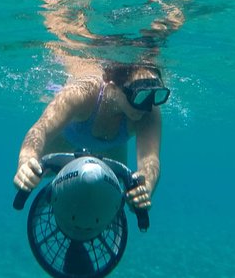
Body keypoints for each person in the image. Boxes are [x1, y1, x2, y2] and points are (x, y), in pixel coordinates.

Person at [13, 61, 168, 211]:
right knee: (41, 172)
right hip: (68, 137)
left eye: (154, 95)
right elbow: (40, 130)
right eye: (140, 96)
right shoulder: (82, 93)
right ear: (113, 88)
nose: (147, 106)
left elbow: (150, 160)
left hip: (113, 146)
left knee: (110, 189)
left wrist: (146, 186)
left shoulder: (150, 111)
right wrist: (25, 162)